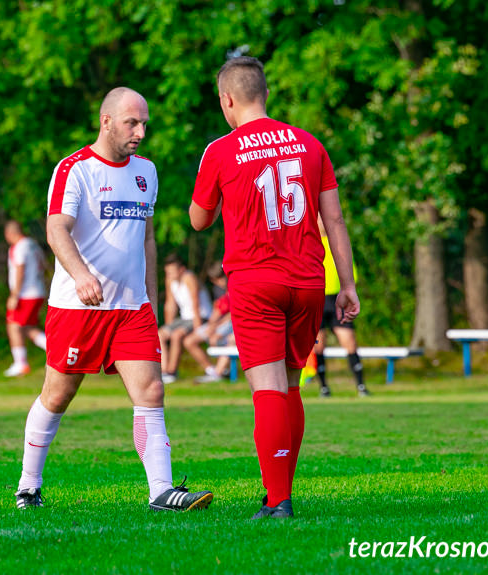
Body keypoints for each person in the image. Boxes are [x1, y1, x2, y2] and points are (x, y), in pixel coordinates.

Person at [15, 87, 213, 512]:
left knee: (152, 391)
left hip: (132, 309)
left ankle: (161, 490)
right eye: (131, 123)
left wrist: (152, 302)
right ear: (105, 121)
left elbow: (147, 239)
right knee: (57, 395)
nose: (140, 132)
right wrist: (82, 275)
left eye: (144, 124)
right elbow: (56, 230)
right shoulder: (75, 169)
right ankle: (28, 485)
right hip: (77, 308)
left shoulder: (147, 171)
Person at [189, 56, 359, 519]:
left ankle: (279, 500)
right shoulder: (310, 144)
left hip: (255, 282)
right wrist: (345, 285)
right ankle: (277, 492)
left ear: (227, 100)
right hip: (308, 281)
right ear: (266, 93)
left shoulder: (221, 150)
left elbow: (199, 220)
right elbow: (335, 220)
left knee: (266, 389)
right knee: (289, 385)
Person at [313, 216, 370, 397]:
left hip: (337, 300)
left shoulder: (337, 242)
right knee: (318, 346)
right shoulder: (309, 243)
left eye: (323, 219)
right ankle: (324, 387)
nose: (322, 222)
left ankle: (361, 386)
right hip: (316, 300)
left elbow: (350, 272)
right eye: (318, 219)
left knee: (349, 342)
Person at [158, 254, 212, 383]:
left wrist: (198, 327)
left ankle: (172, 371)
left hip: (201, 316)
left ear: (181, 269)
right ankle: (163, 370)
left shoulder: (189, 277)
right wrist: (168, 326)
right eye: (167, 272)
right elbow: (170, 305)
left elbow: (195, 302)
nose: (169, 274)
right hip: (184, 318)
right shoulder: (170, 280)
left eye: (172, 272)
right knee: (160, 334)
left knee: (177, 335)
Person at [4, 220, 48, 377]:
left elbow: (20, 270)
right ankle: (54, 351)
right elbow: (43, 265)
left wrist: (15, 295)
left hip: (25, 293)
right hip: (38, 290)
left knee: (13, 326)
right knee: (28, 328)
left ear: (9, 234)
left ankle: (20, 363)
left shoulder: (20, 247)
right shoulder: (33, 244)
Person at [183, 262, 234, 383]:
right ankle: (211, 370)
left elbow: (235, 312)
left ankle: (220, 372)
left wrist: (215, 326)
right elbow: (218, 309)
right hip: (220, 322)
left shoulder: (234, 285)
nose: (221, 282)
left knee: (215, 338)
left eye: (222, 277)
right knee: (189, 341)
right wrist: (211, 324)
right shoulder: (218, 289)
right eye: (217, 279)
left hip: (232, 321)